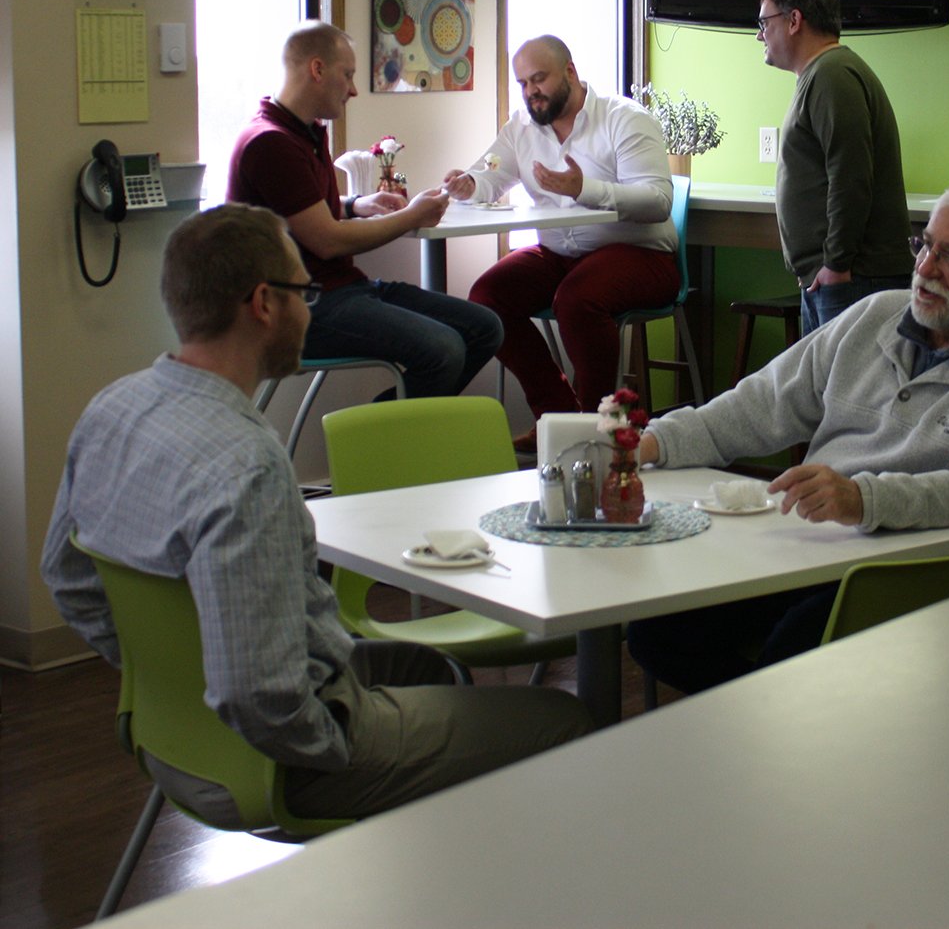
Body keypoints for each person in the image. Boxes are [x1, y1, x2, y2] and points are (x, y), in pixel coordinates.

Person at [41, 204, 592, 823]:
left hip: (164, 734)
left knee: (425, 667)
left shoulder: (110, 410)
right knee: (566, 720)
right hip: (288, 761)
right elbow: (257, 694)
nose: (309, 311)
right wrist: (333, 746)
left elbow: (67, 578)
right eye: (304, 291)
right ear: (264, 304)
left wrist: (170, 682)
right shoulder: (247, 466)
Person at [627, 182, 949, 696]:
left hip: (916, 573)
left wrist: (863, 498)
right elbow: (762, 402)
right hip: (811, 549)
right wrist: (652, 442)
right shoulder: (874, 315)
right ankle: (773, 724)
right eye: (923, 244)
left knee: (793, 651)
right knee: (658, 631)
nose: (925, 268)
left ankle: (774, 727)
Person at [227, 20, 502, 399]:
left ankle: (382, 427)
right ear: (317, 69)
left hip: (342, 288)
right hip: (301, 305)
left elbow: (296, 213)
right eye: (348, 75)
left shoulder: (304, 129)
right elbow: (326, 241)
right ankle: (377, 441)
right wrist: (413, 215)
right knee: (444, 349)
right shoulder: (271, 143)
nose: (354, 89)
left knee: (485, 327)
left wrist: (356, 205)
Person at [444, 35, 680, 451]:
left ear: (570, 72)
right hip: (561, 255)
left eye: (540, 78)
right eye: (523, 83)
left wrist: (584, 189)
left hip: (643, 256)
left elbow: (658, 202)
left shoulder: (625, 118)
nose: (531, 91)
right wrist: (468, 184)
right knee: (487, 296)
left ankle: (596, 429)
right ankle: (557, 416)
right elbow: (490, 176)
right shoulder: (520, 127)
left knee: (576, 299)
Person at [758, 0, 914, 333]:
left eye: (764, 22)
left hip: (852, 277)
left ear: (794, 20)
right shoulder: (824, 73)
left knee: (846, 389)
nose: (759, 35)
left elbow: (850, 175)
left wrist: (836, 262)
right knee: (826, 388)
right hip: (837, 276)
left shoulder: (832, 76)